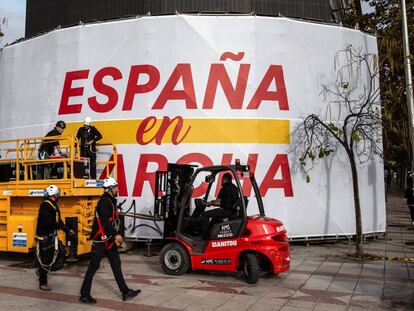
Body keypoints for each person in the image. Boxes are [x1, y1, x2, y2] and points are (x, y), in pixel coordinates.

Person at [80, 177, 140, 304]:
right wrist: (116, 235)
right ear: (110, 189)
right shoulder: (104, 202)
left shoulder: (110, 201)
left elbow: (112, 220)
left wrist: (115, 234)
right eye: (116, 187)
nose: (118, 189)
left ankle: (125, 292)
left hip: (108, 239)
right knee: (93, 266)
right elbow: (105, 222)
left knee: (116, 264)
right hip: (100, 240)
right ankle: (84, 295)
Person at [35, 185, 74, 291]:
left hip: (51, 236)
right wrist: (60, 227)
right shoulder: (45, 206)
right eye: (57, 194)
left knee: (56, 256)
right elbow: (50, 223)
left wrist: (67, 229)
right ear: (53, 195)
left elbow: (58, 220)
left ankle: (41, 270)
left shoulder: (53, 205)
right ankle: (43, 282)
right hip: (45, 238)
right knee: (46, 260)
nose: (58, 196)